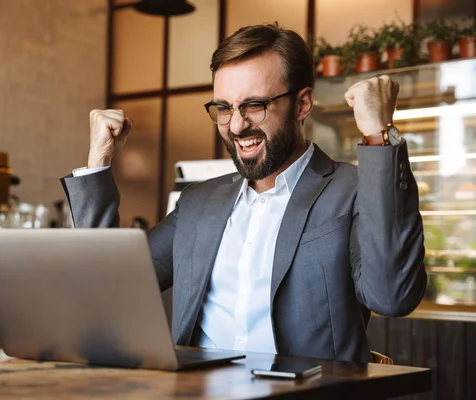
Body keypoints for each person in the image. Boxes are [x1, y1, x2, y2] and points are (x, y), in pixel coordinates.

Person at [60, 22, 426, 363]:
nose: (236, 125)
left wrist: (379, 135)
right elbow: (107, 286)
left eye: (255, 105)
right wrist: (98, 162)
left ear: (302, 104)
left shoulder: (352, 189)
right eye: (223, 107)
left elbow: (392, 296)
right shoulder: (198, 203)